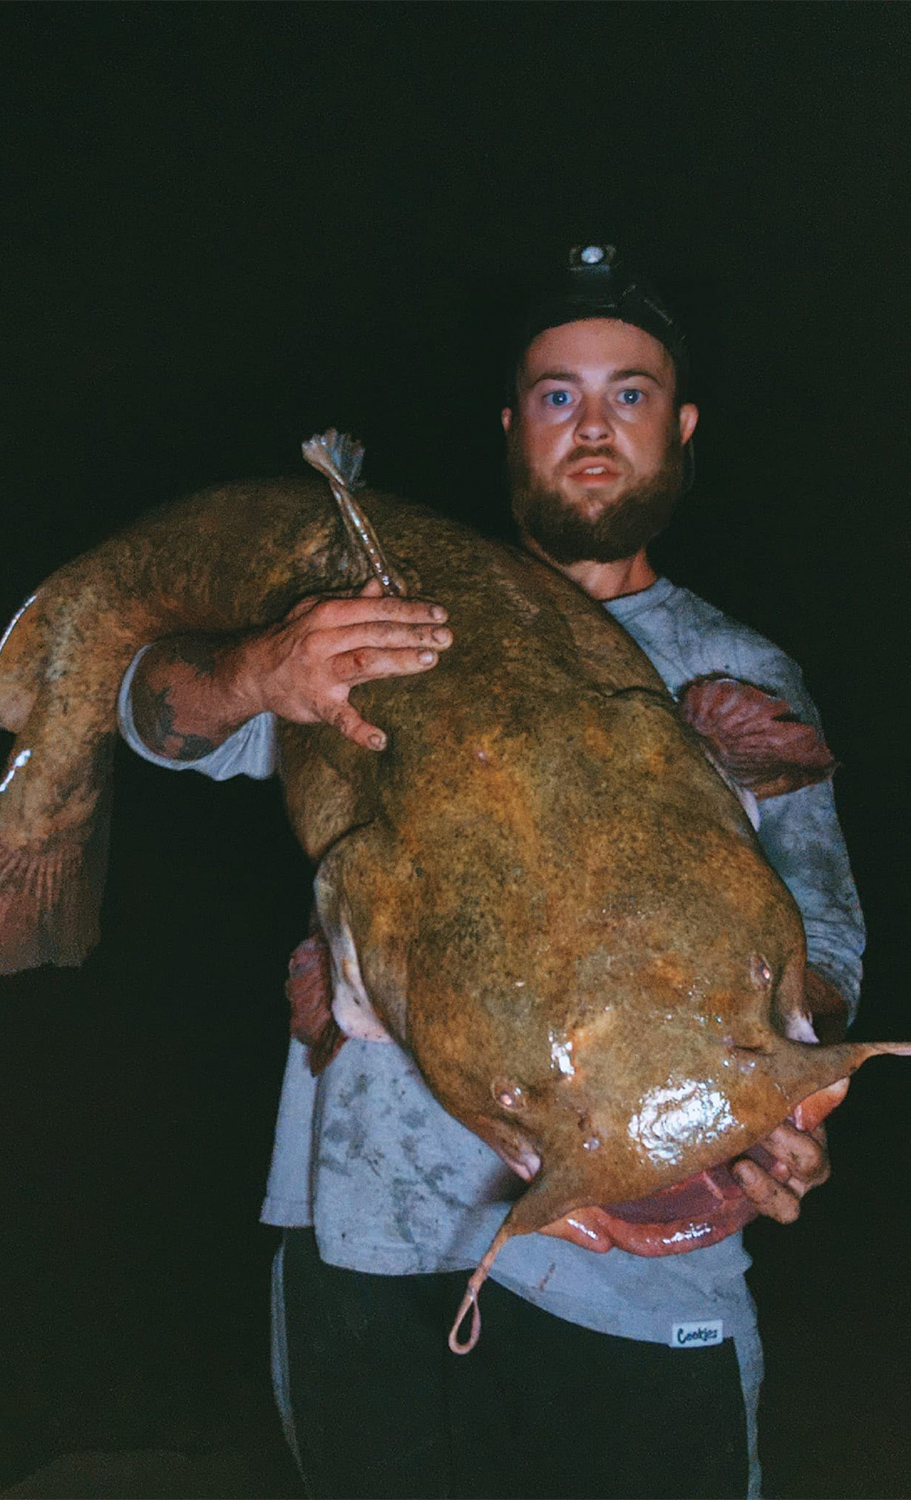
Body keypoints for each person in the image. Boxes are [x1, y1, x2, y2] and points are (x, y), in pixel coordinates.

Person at [119, 246, 863, 1499]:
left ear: (678, 428)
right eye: (556, 394)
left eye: (627, 395)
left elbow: (822, 947)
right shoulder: (372, 621)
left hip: (637, 1276)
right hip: (364, 1237)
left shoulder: (736, 670)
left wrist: (774, 1100)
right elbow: (150, 714)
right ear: (510, 423)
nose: (591, 427)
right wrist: (259, 671)